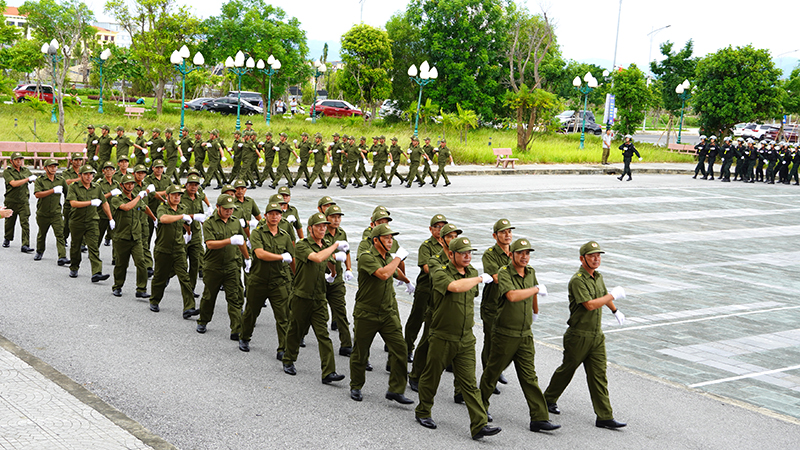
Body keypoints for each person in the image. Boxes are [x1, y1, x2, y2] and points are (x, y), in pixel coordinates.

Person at [415, 236, 501, 440]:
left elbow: (472, 295)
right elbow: (454, 287)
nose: (467, 256)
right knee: (432, 376)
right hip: (443, 335)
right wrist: (481, 278)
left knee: (469, 383)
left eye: (470, 253)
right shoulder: (441, 272)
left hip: (465, 338)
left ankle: (479, 424)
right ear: (451, 254)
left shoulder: (470, 272)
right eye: (463, 253)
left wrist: (476, 278)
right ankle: (423, 411)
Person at [543, 241, 628, 430]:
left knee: (599, 375)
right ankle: (548, 399)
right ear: (582, 259)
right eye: (592, 255)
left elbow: (602, 294)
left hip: (596, 335)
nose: (596, 258)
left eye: (598, 255)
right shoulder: (577, 280)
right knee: (568, 369)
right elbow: (589, 304)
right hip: (578, 335)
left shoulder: (598, 276)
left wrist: (615, 311)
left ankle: (604, 416)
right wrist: (613, 296)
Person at [479, 238, 560, 433]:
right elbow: (512, 295)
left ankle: (539, 418)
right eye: (520, 253)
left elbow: (533, 294)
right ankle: (479, 409)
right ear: (512, 254)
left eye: (527, 253)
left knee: (529, 377)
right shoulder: (505, 272)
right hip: (505, 333)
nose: (525, 257)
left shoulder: (530, 272)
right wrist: (536, 289)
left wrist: (535, 312)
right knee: (492, 372)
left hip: (525, 334)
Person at [349, 223, 413, 404]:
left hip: (387, 313)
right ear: (376, 240)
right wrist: (398, 258)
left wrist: (407, 280)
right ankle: (356, 385)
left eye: (391, 238)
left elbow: (395, 272)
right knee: (361, 352)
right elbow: (384, 274)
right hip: (366, 313)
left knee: (400, 349)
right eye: (387, 238)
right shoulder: (366, 257)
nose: (391, 241)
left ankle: (396, 389)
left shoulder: (388, 257)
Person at [281, 212, 346, 385]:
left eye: (325, 226)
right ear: (310, 229)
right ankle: (288, 359)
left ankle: (328, 372)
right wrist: (335, 246)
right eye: (319, 226)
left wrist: (333, 271)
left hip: (318, 298)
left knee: (323, 335)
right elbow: (317, 258)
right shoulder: (302, 245)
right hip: (301, 297)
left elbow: (328, 259)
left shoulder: (325, 244)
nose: (323, 229)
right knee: (296, 331)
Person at [240, 201, 295, 355]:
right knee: (251, 312)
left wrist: (296, 276)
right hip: (258, 280)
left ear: (281, 216)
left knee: (283, 317)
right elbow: (260, 254)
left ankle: (283, 349)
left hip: (278, 281)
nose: (274, 217)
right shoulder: (257, 233)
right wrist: (280, 257)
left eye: (277, 214)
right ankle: (245, 337)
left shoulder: (285, 236)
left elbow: (293, 258)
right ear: (265, 216)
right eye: (271, 214)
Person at [196, 194, 250, 339]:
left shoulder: (235, 222)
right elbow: (210, 244)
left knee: (234, 298)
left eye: (231, 209)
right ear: (218, 207)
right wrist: (229, 240)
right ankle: (203, 321)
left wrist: (247, 258)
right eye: (226, 209)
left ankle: (236, 329)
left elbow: (241, 242)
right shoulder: (209, 223)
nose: (229, 211)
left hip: (232, 266)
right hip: (213, 266)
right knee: (209, 296)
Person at [148, 184, 198, 317]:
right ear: (167, 196)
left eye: (179, 195)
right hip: (163, 249)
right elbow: (163, 219)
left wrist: (188, 232)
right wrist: (181, 217)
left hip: (179, 248)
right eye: (174, 194)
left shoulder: (182, 208)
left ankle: (189, 307)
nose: (177, 197)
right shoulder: (162, 207)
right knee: (160, 277)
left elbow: (185, 222)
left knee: (184, 278)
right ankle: (154, 300)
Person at [405, 214, 448, 363]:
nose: (440, 229)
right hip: (426, 288)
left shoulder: (450, 245)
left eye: (443, 227)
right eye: (437, 227)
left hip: (440, 291)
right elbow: (426, 267)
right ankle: (407, 348)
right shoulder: (427, 246)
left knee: (436, 322)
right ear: (431, 229)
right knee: (417, 319)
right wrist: (444, 272)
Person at [480, 218, 514, 390]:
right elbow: (496, 278)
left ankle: (497, 368)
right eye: (503, 232)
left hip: (509, 306)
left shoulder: (516, 252)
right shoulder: (489, 254)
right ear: (495, 235)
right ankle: (488, 377)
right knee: (491, 341)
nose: (507, 235)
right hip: (492, 305)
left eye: (509, 231)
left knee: (507, 342)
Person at [66, 164, 114, 282]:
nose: (89, 177)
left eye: (91, 174)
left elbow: (104, 203)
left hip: (92, 221)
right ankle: (74, 266)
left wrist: (110, 218)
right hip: (77, 221)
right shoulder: (74, 187)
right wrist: (90, 202)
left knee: (93, 247)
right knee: (76, 246)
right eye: (86, 174)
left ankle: (97, 272)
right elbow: (73, 203)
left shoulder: (96, 187)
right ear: (80, 175)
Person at [109, 174, 151, 299]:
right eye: (127, 183)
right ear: (121, 185)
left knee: (141, 263)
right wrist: (139, 196)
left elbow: (145, 208)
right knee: (121, 265)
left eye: (132, 183)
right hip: (121, 237)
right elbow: (126, 207)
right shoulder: (117, 199)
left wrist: (155, 219)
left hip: (136, 237)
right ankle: (117, 286)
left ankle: (141, 289)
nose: (130, 186)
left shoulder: (137, 199)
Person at [322, 204, 353, 355]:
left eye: (339, 217)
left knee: (340, 311)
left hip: (337, 279)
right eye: (333, 217)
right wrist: (333, 256)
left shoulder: (342, 233)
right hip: (320, 278)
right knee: (312, 312)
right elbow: (318, 254)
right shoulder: (320, 231)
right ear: (327, 218)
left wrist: (349, 268)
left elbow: (347, 252)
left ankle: (346, 344)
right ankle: (299, 336)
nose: (336, 220)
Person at [32, 158, 68, 264]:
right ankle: (39, 251)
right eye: (51, 166)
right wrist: (52, 191)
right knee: (42, 234)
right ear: (45, 168)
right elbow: (37, 194)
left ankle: (62, 256)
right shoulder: (40, 180)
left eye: (55, 166)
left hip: (56, 213)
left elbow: (68, 193)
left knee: (60, 234)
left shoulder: (61, 180)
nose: (53, 168)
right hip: (43, 213)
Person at [180, 174, 210, 297]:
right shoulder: (181, 197)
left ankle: (190, 288)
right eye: (191, 184)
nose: (193, 187)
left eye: (196, 185)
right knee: (180, 263)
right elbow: (179, 215)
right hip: (182, 233)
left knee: (195, 262)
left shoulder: (198, 198)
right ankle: (163, 281)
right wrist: (187, 231)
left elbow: (201, 215)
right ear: (186, 185)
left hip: (196, 234)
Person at [3, 152, 35, 253]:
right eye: (16, 159)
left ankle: (25, 245)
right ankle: (7, 238)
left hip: (23, 201)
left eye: (20, 159)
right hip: (11, 201)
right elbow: (13, 183)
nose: (19, 161)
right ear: (11, 161)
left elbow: (35, 181)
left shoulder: (25, 170)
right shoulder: (7, 172)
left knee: (25, 222)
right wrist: (27, 179)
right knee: (9, 222)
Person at [96, 162, 119, 248]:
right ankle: (94, 254)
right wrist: (110, 193)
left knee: (116, 238)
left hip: (114, 214)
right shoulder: (99, 184)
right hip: (101, 214)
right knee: (98, 236)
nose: (109, 171)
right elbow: (97, 199)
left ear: (114, 171)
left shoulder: (116, 184)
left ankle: (115, 259)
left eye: (111, 169)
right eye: (107, 169)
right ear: (103, 171)